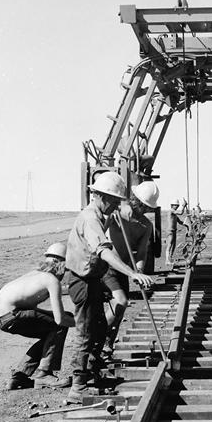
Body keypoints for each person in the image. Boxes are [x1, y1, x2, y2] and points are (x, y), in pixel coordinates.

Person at [64, 171, 155, 403]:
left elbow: (139, 251)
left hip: (93, 276)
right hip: (82, 279)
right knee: (85, 330)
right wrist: (132, 273)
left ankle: (91, 372)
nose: (116, 205)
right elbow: (103, 250)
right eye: (114, 201)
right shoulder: (91, 218)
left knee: (99, 324)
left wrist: (136, 272)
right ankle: (77, 387)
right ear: (102, 196)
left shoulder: (103, 213)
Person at [0, 243, 73, 390]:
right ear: (59, 264)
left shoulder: (34, 275)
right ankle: (44, 374)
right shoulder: (52, 281)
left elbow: (32, 309)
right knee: (60, 326)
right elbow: (60, 320)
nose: (64, 274)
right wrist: (80, 323)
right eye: (65, 269)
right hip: (12, 316)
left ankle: (19, 377)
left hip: (3, 317)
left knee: (50, 333)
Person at [101, 181, 159, 361]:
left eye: (145, 207)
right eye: (139, 204)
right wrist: (110, 218)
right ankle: (97, 337)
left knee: (120, 310)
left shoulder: (145, 226)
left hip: (124, 270)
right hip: (106, 265)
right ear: (134, 200)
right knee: (122, 301)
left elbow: (141, 253)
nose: (141, 209)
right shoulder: (116, 212)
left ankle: (107, 345)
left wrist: (139, 271)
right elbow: (98, 233)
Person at [165, 197, 188, 268]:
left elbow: (180, 222)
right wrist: (183, 206)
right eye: (176, 205)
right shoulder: (171, 211)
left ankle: (170, 259)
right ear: (172, 205)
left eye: (177, 206)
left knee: (173, 246)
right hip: (170, 231)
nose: (177, 207)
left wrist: (187, 224)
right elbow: (181, 212)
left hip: (174, 231)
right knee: (169, 245)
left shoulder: (174, 215)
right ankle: (167, 260)